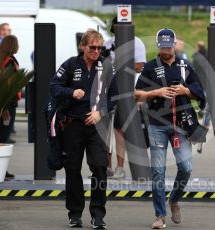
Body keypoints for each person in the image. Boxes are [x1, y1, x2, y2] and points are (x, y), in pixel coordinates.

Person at [135, 28, 205, 229]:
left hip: (181, 125)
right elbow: (136, 94)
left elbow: (200, 93)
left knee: (186, 168)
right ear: (158, 46)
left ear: (174, 44)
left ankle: (174, 199)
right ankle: (160, 215)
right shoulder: (149, 67)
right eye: (162, 46)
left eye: (169, 45)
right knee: (158, 171)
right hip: (157, 125)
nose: (166, 49)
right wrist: (156, 92)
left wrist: (186, 90)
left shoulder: (185, 65)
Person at [50, 29, 116, 229]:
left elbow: (115, 96)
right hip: (72, 125)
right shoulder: (70, 64)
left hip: (97, 125)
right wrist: (71, 92)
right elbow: (54, 87)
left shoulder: (106, 66)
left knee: (99, 167)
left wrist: (100, 113)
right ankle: (75, 213)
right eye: (92, 47)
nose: (96, 51)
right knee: (73, 169)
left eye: (100, 48)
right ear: (83, 46)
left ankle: (98, 214)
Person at [104, 16, 147, 179]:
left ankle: (120, 168)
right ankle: (106, 166)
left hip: (127, 88)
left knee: (120, 129)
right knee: (105, 128)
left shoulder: (137, 43)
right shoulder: (108, 44)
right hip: (108, 89)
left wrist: (118, 63)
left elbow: (139, 66)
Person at [0, 35, 20, 179]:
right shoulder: (10, 62)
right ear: (13, 45)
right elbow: (8, 86)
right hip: (7, 105)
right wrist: (6, 107)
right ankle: (1, 169)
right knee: (4, 137)